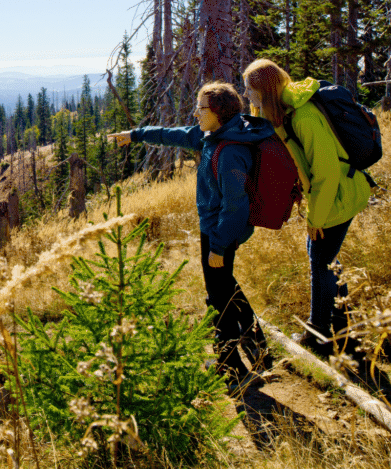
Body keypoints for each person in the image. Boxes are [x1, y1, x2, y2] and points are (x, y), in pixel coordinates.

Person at [114, 82, 274, 387]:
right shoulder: (213, 137)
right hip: (218, 231)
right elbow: (171, 135)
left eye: (200, 107)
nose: (195, 112)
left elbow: (235, 207)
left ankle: (229, 368)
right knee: (225, 284)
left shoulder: (229, 152)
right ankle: (258, 348)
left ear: (217, 111)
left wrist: (218, 246)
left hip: (219, 232)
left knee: (217, 297)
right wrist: (134, 135)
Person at [242, 59, 372, 357]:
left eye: (250, 89)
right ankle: (343, 329)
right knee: (327, 259)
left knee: (320, 261)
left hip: (340, 196)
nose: (247, 95)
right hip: (332, 196)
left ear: (265, 90)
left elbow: (326, 171)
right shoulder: (285, 112)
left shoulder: (303, 116)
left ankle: (317, 334)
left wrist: (316, 217)